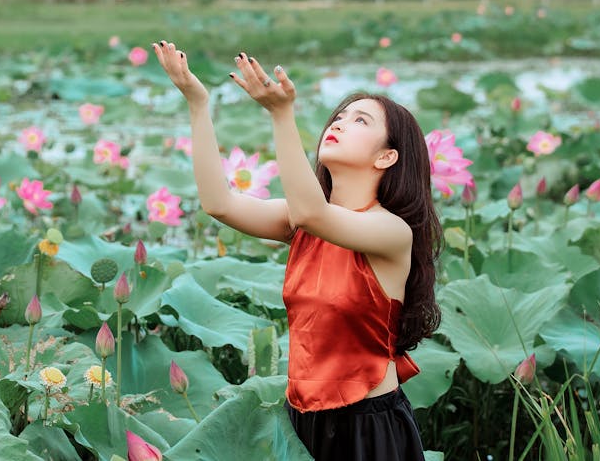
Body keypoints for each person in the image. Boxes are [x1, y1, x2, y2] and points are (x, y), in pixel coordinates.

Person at [153, 41, 441, 461]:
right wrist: (198, 104)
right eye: (338, 116)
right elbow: (220, 203)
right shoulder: (302, 220)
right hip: (302, 419)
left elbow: (312, 213)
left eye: (360, 120)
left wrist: (281, 113)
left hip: (368, 425)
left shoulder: (391, 231)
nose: (338, 124)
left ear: (387, 156)